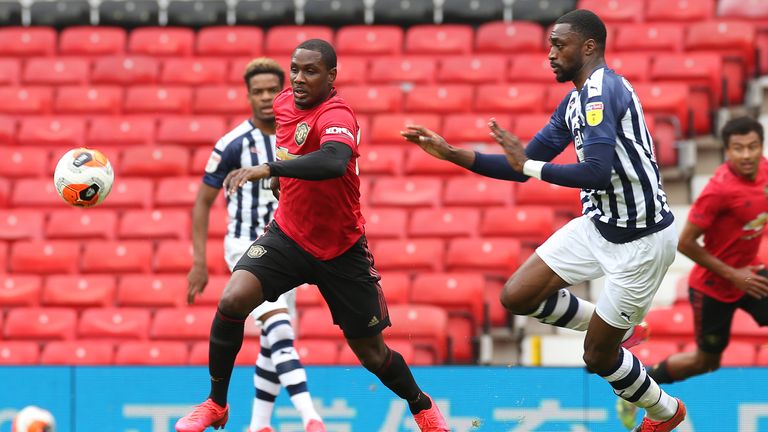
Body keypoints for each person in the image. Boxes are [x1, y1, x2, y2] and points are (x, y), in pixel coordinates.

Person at [402, 9, 686, 432]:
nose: (550, 53)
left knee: (597, 358)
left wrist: (530, 166)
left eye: (559, 44)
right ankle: (615, 327)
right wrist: (453, 153)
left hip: (641, 242)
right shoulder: (575, 99)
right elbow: (524, 163)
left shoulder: (603, 91)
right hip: (599, 225)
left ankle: (665, 412)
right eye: (550, 44)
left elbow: (594, 171)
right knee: (516, 296)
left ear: (588, 46)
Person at [175, 39, 449, 432]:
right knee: (233, 299)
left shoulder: (337, 114)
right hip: (287, 235)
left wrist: (270, 170)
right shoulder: (286, 104)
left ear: (331, 76)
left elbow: (335, 161)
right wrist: (284, 180)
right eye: (295, 70)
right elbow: (293, 151)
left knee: (372, 355)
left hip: (340, 248)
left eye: (311, 71)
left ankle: (421, 405)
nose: (299, 79)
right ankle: (216, 403)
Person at [186, 58, 325, 432]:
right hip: (246, 246)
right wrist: (199, 261)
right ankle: (311, 417)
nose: (265, 98)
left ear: (282, 93)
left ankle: (258, 425)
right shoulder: (232, 144)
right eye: (257, 91)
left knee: (274, 339)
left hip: (289, 246)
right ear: (248, 95)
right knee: (278, 327)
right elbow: (202, 202)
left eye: (271, 91)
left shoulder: (299, 135)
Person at [617, 116, 768, 428]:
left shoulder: (765, 172)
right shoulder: (719, 190)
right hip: (713, 287)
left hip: (750, 278)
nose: (747, 155)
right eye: (738, 148)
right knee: (705, 362)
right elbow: (685, 243)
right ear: (727, 151)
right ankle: (635, 389)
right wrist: (733, 274)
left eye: (753, 147)